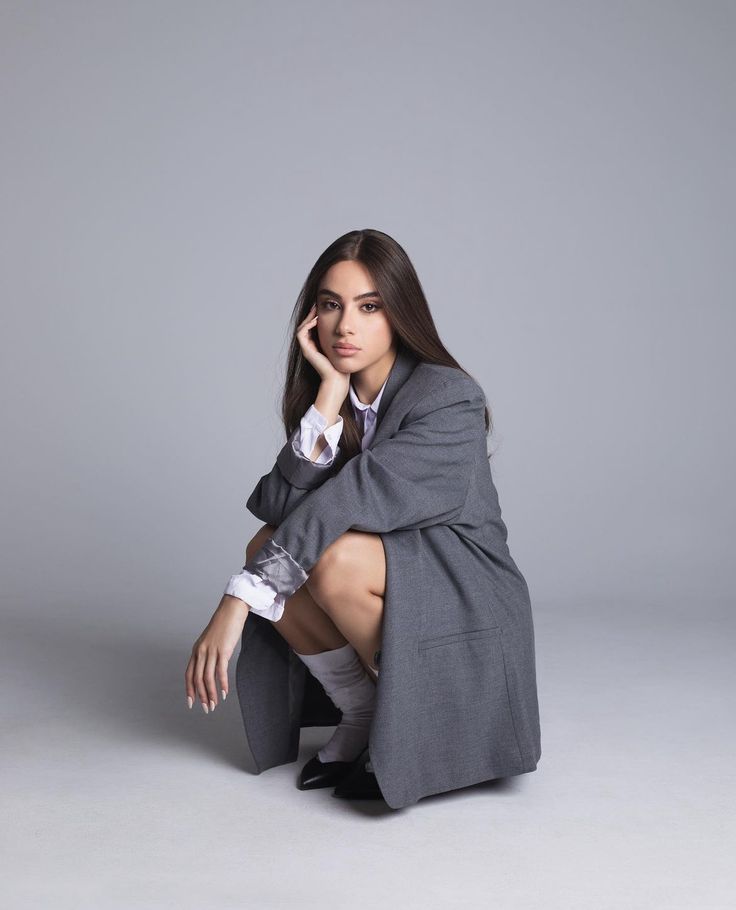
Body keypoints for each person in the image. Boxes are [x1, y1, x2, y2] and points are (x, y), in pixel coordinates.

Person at [184, 228, 542, 808]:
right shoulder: (340, 404)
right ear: (313, 319)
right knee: (267, 546)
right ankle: (365, 712)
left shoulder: (449, 397)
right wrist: (328, 394)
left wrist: (236, 602)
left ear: (399, 314)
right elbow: (279, 506)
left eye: (369, 307)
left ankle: (415, 720)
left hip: (462, 587)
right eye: (331, 305)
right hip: (393, 573)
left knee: (328, 556)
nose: (345, 325)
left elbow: (347, 498)